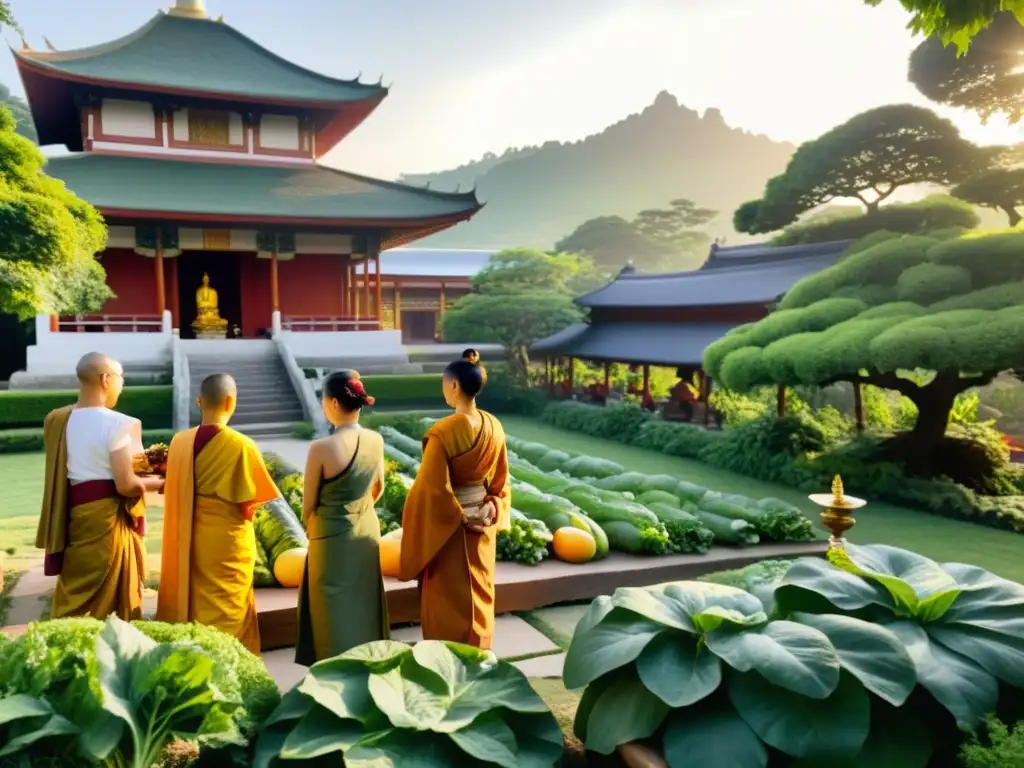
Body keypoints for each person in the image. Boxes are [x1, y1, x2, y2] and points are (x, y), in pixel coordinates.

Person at [157, 374, 278, 654]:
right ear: (230, 402)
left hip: (185, 538)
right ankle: (228, 664)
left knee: (191, 600)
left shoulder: (178, 443)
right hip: (225, 543)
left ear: (199, 402)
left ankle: (190, 660)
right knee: (228, 606)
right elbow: (251, 503)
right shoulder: (241, 445)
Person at [37, 352, 161, 621]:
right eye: (120, 378)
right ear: (106, 379)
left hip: (75, 516)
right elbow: (127, 485)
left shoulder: (56, 421)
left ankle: (64, 643)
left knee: (77, 582)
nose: (121, 384)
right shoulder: (119, 423)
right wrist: (161, 482)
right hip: (107, 522)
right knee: (112, 597)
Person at [399, 355, 511, 649]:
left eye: (444, 384)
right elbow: (500, 480)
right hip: (483, 519)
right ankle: (481, 654)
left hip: (449, 529)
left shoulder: (444, 431)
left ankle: (447, 660)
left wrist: (456, 515)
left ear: (456, 386)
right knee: (481, 590)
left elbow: (432, 489)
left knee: (448, 598)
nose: (444, 389)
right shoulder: (494, 425)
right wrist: (493, 505)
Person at [295, 370, 388, 665]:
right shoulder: (375, 439)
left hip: (330, 535)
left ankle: (333, 670)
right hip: (365, 531)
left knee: (330, 608)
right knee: (364, 602)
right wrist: (357, 510)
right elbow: (379, 488)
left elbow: (308, 504)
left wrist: (314, 524)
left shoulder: (321, 448)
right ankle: (369, 663)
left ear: (333, 403)